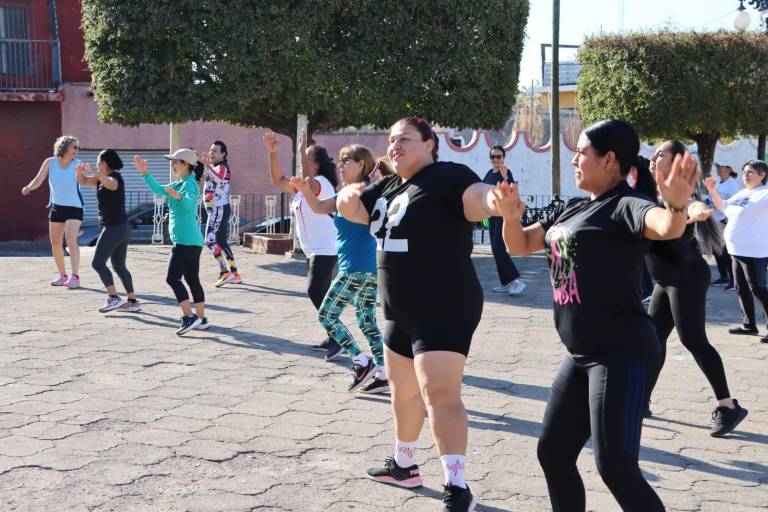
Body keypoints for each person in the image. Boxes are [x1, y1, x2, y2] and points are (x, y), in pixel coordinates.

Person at [494, 119, 699, 511]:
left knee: (616, 467)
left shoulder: (627, 205)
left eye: (582, 152)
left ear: (609, 160)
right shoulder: (572, 208)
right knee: (553, 453)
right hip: (580, 353)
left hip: (622, 353)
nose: (574, 159)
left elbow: (665, 226)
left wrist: (675, 203)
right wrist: (507, 215)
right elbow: (520, 244)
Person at [337, 117, 513, 512]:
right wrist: (350, 192)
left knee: (440, 395)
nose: (395, 146)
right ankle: (404, 464)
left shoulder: (447, 175)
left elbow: (476, 197)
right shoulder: (388, 186)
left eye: (405, 140)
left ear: (431, 144)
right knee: (402, 393)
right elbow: (350, 207)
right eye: (391, 141)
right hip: (399, 310)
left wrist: (494, 200)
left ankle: (457, 486)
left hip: (444, 306)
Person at [635, 140, 746, 437]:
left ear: (676, 162)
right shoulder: (654, 192)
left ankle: (728, 406)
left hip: (686, 277)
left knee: (693, 340)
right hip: (665, 280)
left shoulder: (682, 194)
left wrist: (696, 211)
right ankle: (640, 401)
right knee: (653, 340)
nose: (653, 158)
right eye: (654, 154)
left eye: (661, 155)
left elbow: (695, 204)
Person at [291, 145, 392, 394]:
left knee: (327, 315)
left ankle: (361, 361)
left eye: (346, 160)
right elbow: (319, 207)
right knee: (366, 320)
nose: (340, 165)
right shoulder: (350, 192)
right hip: (366, 267)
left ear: (361, 165)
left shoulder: (363, 193)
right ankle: (384, 371)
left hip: (355, 268)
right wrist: (305, 190)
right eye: (340, 160)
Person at [263, 132, 343, 360]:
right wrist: (273, 153)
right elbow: (278, 180)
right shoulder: (302, 187)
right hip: (312, 249)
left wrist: (300, 151)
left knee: (314, 290)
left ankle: (338, 337)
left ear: (316, 163)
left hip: (325, 247)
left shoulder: (322, 185)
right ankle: (333, 335)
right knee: (322, 292)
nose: (303, 161)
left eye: (308, 157)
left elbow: (310, 184)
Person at [134, 149, 208, 335]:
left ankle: (189, 317)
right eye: (172, 161)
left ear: (186, 165)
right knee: (192, 279)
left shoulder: (189, 185)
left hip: (186, 242)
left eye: (176, 162)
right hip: (191, 241)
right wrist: (145, 173)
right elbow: (159, 189)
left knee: (172, 278)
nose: (172, 165)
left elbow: (191, 203)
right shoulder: (179, 183)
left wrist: (179, 197)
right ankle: (201, 319)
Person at [705, 160, 768, 343]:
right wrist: (712, 191)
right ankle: (748, 324)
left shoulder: (764, 194)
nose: (746, 175)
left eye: (750, 173)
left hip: (754, 251)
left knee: (758, 288)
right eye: (744, 172)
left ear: (762, 175)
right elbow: (723, 207)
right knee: (741, 287)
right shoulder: (743, 193)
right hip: (736, 250)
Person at [76, 150, 141, 313]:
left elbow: (112, 184)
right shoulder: (99, 181)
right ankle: (133, 301)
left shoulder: (115, 178)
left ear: (104, 163)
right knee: (119, 266)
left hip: (114, 228)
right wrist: (80, 173)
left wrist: (99, 175)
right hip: (121, 228)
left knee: (97, 263)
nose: (97, 165)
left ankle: (113, 298)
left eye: (98, 162)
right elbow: (83, 181)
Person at [21, 135, 84, 288]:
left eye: (77, 147)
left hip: (75, 207)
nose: (77, 150)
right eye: (74, 147)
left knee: (70, 239)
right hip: (57, 207)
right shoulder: (50, 162)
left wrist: (87, 173)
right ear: (63, 147)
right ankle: (62, 275)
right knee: (55, 242)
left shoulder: (78, 164)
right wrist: (29, 187)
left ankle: (75, 276)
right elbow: (38, 180)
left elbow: (85, 179)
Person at [482, 145, 525, 296]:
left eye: (498, 156)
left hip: (503, 216)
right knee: (495, 248)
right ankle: (506, 282)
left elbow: (510, 189)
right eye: (493, 156)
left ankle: (516, 281)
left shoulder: (505, 173)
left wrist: (505, 177)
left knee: (498, 247)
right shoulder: (489, 173)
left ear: (504, 157)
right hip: (492, 216)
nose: (495, 159)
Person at [202, 140, 242, 287]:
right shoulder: (214, 167)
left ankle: (225, 272)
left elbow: (218, 177)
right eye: (210, 150)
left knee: (209, 240)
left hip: (218, 209)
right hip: (217, 209)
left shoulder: (222, 167)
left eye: (215, 151)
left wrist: (207, 167)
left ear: (223, 154)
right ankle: (235, 273)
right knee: (221, 241)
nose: (211, 153)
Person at [709, 164, 740, 290]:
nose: (718, 169)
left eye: (721, 167)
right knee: (717, 250)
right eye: (717, 167)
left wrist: (729, 217)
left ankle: (734, 281)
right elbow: (713, 198)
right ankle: (723, 276)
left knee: (726, 251)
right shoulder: (719, 183)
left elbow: (736, 202)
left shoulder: (732, 185)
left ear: (729, 169)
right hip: (715, 219)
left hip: (724, 220)